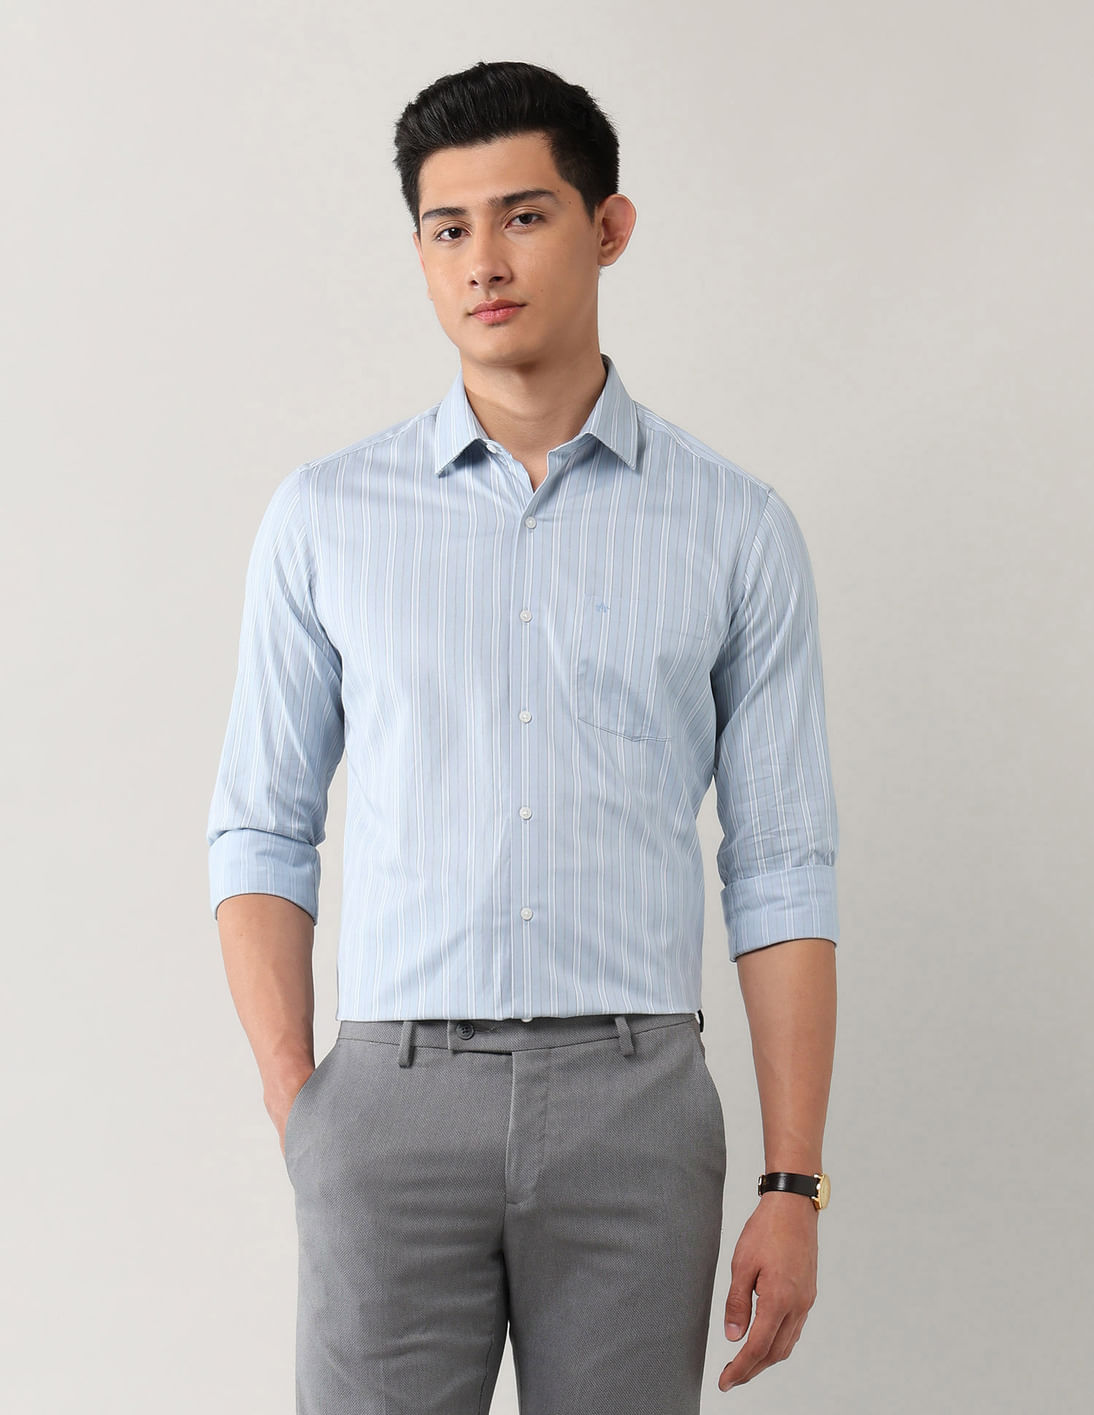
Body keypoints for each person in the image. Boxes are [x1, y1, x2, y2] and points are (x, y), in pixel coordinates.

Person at [207, 58, 839, 1415]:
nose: (482, 261)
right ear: (420, 252)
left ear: (609, 227)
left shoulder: (734, 528)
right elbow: (261, 827)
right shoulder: (326, 518)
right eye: (447, 228)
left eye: (524, 215)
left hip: (635, 1108)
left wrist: (792, 1182)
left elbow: (782, 867)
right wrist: (303, 1105)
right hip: (388, 1104)